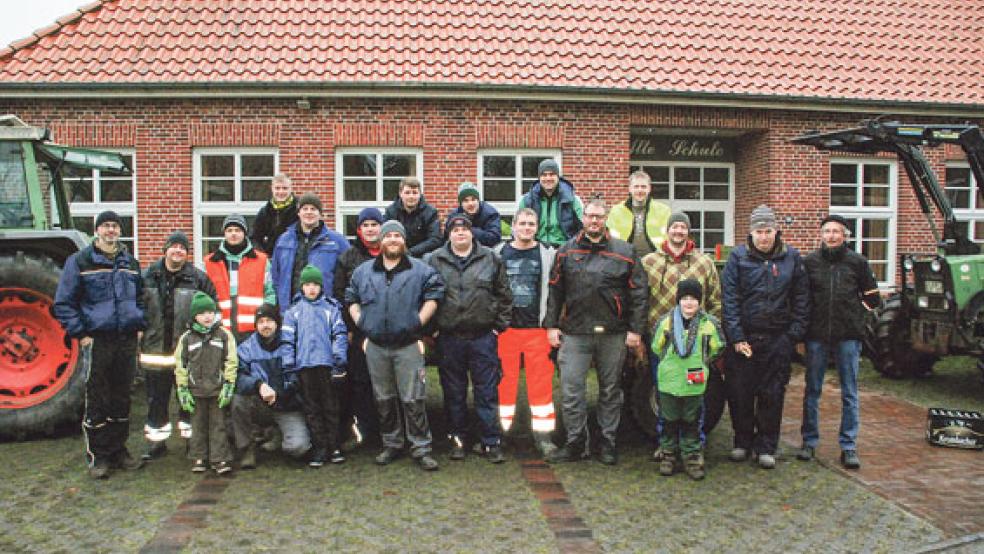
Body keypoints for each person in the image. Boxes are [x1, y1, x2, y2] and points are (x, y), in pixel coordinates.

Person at [543, 199, 648, 465]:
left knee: (610, 391)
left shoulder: (626, 252)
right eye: (590, 216)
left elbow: (638, 294)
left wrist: (635, 330)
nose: (594, 221)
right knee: (571, 391)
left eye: (599, 217)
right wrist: (551, 325)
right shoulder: (566, 251)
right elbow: (555, 291)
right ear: (583, 218)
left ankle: (607, 441)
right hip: (574, 332)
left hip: (613, 333)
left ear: (606, 219)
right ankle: (576, 442)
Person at [54, 210, 147, 479]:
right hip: (97, 339)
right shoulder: (80, 261)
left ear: (120, 231)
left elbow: (141, 297)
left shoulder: (130, 262)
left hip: (126, 338)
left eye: (115, 226)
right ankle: (99, 456)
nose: (111, 230)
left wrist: (139, 323)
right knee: (97, 397)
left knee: (122, 396)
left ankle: (119, 450)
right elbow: (64, 303)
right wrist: (81, 334)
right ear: (97, 230)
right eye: (106, 226)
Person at [345, 220, 444, 471]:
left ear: (404, 241)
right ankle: (392, 443)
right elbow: (351, 297)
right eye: (388, 236)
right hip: (376, 346)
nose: (392, 240)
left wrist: (417, 322)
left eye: (397, 236)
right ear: (381, 241)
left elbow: (434, 296)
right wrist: (362, 322)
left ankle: (421, 447)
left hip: (408, 345)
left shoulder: (421, 270)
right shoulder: (363, 272)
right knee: (384, 398)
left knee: (413, 398)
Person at [722, 205, 810, 469]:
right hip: (744, 339)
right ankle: (742, 442)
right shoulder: (738, 258)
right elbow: (730, 300)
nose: (763, 237)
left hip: (777, 338)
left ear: (776, 231)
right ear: (751, 233)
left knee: (772, 394)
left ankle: (766, 446)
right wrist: (736, 337)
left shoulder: (791, 258)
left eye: (768, 231)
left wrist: (792, 336)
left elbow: (802, 299)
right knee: (740, 393)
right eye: (759, 232)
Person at [798, 214, 882, 470]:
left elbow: (873, 297)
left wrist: (856, 315)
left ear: (845, 235)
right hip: (816, 336)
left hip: (848, 337)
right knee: (812, 390)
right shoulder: (809, 262)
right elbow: (802, 297)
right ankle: (809, 441)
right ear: (821, 235)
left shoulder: (858, 262)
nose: (832, 236)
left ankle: (848, 445)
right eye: (827, 231)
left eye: (836, 231)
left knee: (849, 392)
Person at [427, 214, 512, 463]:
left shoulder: (491, 258)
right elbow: (426, 295)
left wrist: (498, 327)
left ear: (471, 232)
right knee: (454, 393)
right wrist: (433, 329)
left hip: (483, 337)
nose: (460, 233)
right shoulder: (434, 260)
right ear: (449, 234)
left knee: (487, 393)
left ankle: (490, 442)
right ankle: (458, 441)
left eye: (464, 229)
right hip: (449, 338)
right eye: (455, 230)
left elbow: (504, 295)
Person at [640, 212, 722, 452]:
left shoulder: (704, 263)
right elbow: (639, 301)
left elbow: (716, 302)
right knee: (664, 394)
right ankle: (666, 446)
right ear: (667, 230)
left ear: (688, 231)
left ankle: (694, 445)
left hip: (696, 343)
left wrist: (713, 335)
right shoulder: (649, 262)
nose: (678, 231)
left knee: (696, 397)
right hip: (662, 343)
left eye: (683, 227)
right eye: (674, 227)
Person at [140, 230, 217, 461]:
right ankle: (156, 442)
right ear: (165, 250)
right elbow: (136, 308)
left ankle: (193, 442)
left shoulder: (198, 279)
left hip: (187, 352)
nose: (178, 251)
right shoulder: (147, 277)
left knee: (189, 400)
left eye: (182, 248)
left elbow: (212, 311)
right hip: (154, 351)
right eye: (174, 246)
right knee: (156, 400)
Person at [493, 208, 558, 456]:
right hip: (506, 330)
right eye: (522, 223)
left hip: (536, 331)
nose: (527, 227)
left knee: (541, 386)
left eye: (531, 224)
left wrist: (551, 324)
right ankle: (501, 435)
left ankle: (543, 437)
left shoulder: (548, 254)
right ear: (513, 226)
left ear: (537, 227)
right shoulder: (498, 253)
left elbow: (555, 292)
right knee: (503, 384)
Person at [650, 279, 725, 480]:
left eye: (693, 299)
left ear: (700, 301)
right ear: (678, 300)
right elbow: (656, 346)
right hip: (669, 382)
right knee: (669, 421)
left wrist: (702, 361)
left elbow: (718, 347)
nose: (689, 303)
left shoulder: (708, 324)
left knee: (692, 422)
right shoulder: (665, 322)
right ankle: (668, 456)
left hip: (694, 384)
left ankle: (692, 458)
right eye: (685, 298)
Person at [281, 265, 349, 467]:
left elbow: (339, 335)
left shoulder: (331, 309)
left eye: (315, 285)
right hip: (304, 367)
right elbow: (287, 341)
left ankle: (334, 446)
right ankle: (319, 447)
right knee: (311, 409)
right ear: (301, 287)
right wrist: (289, 367)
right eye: (307, 284)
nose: (311, 288)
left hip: (326, 365)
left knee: (331, 407)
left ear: (321, 287)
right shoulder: (293, 312)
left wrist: (339, 361)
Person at [231, 303, 312, 468]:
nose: (265, 325)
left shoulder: (292, 344)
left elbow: (301, 375)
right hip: (260, 404)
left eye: (269, 321)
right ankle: (247, 449)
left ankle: (278, 433)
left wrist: (282, 392)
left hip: (287, 405)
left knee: (299, 448)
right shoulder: (246, 348)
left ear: (277, 323)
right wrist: (258, 385)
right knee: (238, 400)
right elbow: (238, 377)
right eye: (261, 322)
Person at [332, 207, 386, 448]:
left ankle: (390, 431)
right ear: (359, 230)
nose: (371, 229)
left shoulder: (391, 252)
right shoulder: (348, 258)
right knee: (361, 382)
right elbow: (340, 293)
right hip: (360, 328)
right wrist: (348, 326)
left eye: (375, 224)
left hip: (389, 328)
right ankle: (364, 431)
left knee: (387, 382)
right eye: (366, 225)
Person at [174, 292, 238, 475]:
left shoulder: (224, 335)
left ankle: (219, 458)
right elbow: (181, 364)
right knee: (198, 425)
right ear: (194, 316)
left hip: (218, 390)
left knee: (218, 425)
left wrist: (229, 384)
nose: (207, 317)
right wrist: (182, 388)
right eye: (202, 313)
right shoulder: (187, 338)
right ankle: (199, 456)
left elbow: (231, 360)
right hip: (195, 391)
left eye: (210, 312)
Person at [268, 192, 349, 312]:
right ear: (298, 213)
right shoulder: (284, 240)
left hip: (325, 312)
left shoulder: (337, 241)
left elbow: (349, 276)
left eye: (313, 209)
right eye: (305, 209)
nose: (309, 212)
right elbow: (275, 275)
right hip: (289, 311)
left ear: (320, 214)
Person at [205, 214, 275, 343]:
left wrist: (264, 318)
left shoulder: (262, 261)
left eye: (238, 230)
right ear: (224, 233)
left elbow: (271, 292)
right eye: (229, 230)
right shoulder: (209, 263)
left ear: (244, 233)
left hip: (253, 330)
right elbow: (204, 296)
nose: (233, 234)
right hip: (218, 330)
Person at [517, 159, 583, 247]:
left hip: (565, 248)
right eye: (544, 175)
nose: (548, 178)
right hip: (534, 248)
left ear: (558, 177)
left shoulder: (573, 200)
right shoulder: (527, 200)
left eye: (552, 174)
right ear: (539, 178)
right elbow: (517, 229)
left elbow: (583, 228)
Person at [606, 170, 671, 257]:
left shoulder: (663, 210)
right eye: (636, 186)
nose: (640, 190)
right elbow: (610, 238)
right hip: (625, 258)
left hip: (656, 258)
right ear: (630, 188)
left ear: (649, 188)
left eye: (643, 187)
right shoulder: (616, 211)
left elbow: (669, 237)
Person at [384, 177, 442, 257]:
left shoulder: (431, 212)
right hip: (397, 253)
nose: (411, 196)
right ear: (400, 194)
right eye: (407, 193)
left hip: (422, 255)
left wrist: (411, 252)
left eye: (415, 193)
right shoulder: (391, 212)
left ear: (420, 194)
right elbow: (386, 236)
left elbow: (435, 239)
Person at [252, 173, 299, 255]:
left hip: (294, 256)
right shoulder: (265, 212)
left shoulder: (299, 210)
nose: (281, 192)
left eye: (285, 188)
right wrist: (262, 255)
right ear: (272, 189)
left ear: (291, 189)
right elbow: (255, 238)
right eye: (277, 188)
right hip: (271, 257)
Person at [444, 182, 501, 247]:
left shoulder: (490, 214)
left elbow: (494, 239)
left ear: (478, 200)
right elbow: (447, 239)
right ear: (461, 204)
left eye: (473, 199)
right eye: (466, 200)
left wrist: (470, 230)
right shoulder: (454, 216)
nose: (470, 204)